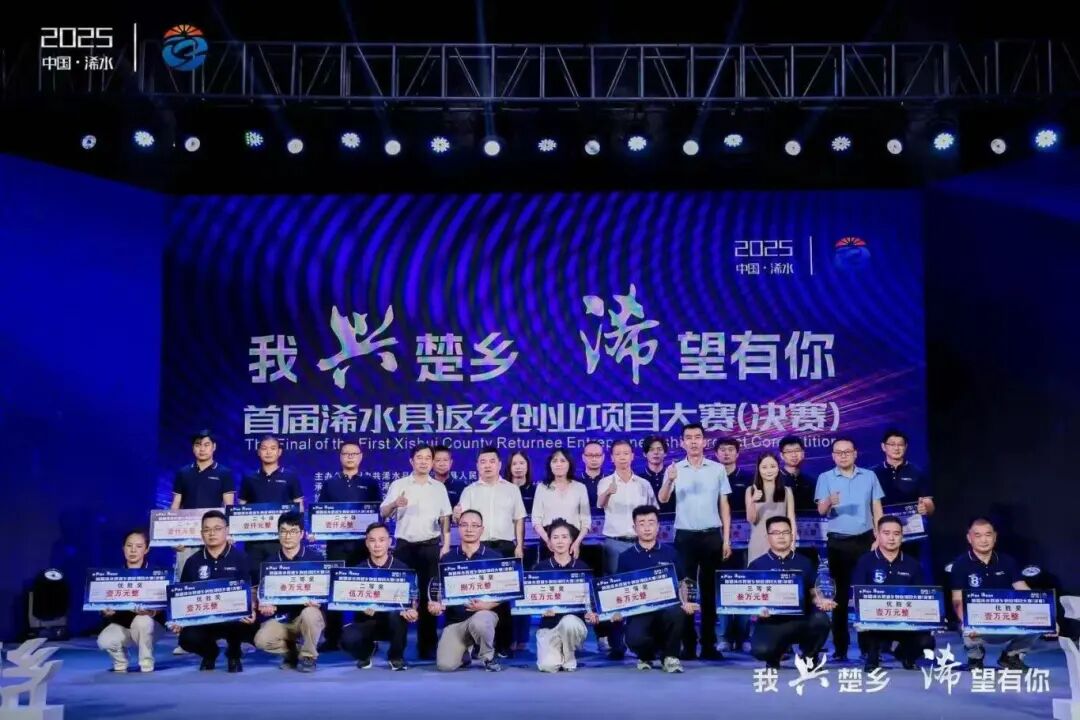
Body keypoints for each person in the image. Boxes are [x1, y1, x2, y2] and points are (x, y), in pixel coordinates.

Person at [658, 422, 732, 660]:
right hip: (685, 536)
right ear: (682, 443)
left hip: (712, 535)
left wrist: (726, 539)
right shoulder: (674, 469)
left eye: (697, 437)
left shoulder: (717, 469)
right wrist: (669, 480)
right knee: (686, 591)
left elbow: (724, 505)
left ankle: (709, 645)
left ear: (704, 441)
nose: (693, 441)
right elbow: (663, 499)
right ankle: (688, 645)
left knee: (709, 592)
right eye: (688, 437)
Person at [379, 444, 452, 660]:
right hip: (404, 547)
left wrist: (446, 545)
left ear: (432, 462)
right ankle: (398, 648)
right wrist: (395, 503)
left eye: (428, 458)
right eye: (419, 457)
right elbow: (383, 512)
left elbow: (445, 517)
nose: (423, 461)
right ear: (411, 461)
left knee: (429, 596)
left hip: (430, 546)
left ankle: (427, 646)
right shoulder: (399, 484)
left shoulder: (438, 488)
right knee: (402, 597)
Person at [814, 437, 884, 661]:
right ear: (833, 456)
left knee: (867, 595)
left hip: (865, 541)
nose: (843, 455)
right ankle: (841, 648)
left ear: (855, 453)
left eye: (847, 451)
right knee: (840, 597)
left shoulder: (869, 476)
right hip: (838, 543)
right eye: (838, 452)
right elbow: (821, 510)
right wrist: (829, 501)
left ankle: (868, 648)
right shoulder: (825, 477)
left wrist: (879, 536)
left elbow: (877, 507)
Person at [454, 447, 526, 657]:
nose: (487, 465)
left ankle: (503, 644)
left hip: (505, 546)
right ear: (477, 465)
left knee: (503, 597)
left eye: (491, 461)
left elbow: (519, 519)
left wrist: (519, 545)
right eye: (483, 461)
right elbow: (462, 520)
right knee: (479, 595)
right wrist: (457, 516)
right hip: (480, 548)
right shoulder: (470, 490)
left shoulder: (512, 489)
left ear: (499, 464)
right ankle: (479, 643)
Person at [169, 428, 235, 657]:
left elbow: (229, 506)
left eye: (207, 444)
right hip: (188, 538)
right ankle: (184, 636)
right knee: (185, 585)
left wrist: (229, 533)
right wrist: (172, 536)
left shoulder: (224, 473)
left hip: (216, 538)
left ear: (214, 447)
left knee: (219, 584)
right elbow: (175, 505)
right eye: (198, 444)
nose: (202, 449)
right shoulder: (183, 473)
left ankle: (226, 634)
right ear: (193, 448)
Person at [311, 441, 381, 650]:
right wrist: (316, 530)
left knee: (362, 590)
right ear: (340, 457)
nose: (350, 457)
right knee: (335, 591)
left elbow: (377, 514)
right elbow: (320, 513)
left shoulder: (370, 483)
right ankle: (332, 639)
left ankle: (364, 638)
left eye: (354, 453)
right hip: (336, 547)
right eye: (346, 454)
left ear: (361, 456)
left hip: (363, 548)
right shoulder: (330, 484)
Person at [612, 505, 696, 673]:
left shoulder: (671, 553)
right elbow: (619, 587)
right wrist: (617, 610)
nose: (647, 528)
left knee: (678, 612)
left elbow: (682, 582)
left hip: (667, 609)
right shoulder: (626, 557)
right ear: (634, 528)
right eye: (642, 523)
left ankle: (670, 656)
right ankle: (647, 655)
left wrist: (685, 602)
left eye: (651, 523)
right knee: (633, 639)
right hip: (640, 611)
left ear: (658, 526)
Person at [949, 517, 1040, 671]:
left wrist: (1046, 614)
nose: (984, 540)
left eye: (988, 534)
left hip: (1005, 618)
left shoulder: (1007, 561)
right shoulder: (960, 564)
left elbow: (1023, 589)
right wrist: (966, 621)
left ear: (995, 537)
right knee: (964, 626)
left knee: (1040, 623)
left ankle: (1011, 656)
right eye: (978, 535)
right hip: (977, 622)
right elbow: (957, 599)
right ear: (969, 538)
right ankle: (975, 657)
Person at [173, 511, 256, 672]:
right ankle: (210, 653)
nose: (212, 533)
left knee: (247, 622)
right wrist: (178, 619)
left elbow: (251, 589)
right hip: (204, 618)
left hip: (234, 619)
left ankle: (234, 654)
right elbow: (183, 595)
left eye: (217, 528)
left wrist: (252, 606)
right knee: (186, 639)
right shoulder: (192, 562)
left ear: (227, 530)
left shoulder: (242, 558)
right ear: (201, 534)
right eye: (207, 529)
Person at [747, 516, 835, 669]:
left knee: (821, 620)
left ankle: (809, 657)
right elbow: (749, 599)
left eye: (785, 532)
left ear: (792, 535)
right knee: (761, 650)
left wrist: (821, 601)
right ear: (767, 537)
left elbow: (814, 592)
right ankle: (774, 657)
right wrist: (756, 611)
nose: (781, 536)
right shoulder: (757, 565)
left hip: (801, 620)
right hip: (772, 622)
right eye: (776, 533)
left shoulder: (805, 562)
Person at [597, 439, 657, 659]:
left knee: (643, 591)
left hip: (640, 543)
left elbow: (653, 511)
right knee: (615, 593)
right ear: (612, 458)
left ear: (632, 456)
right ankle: (617, 645)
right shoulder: (606, 482)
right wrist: (608, 492)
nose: (622, 457)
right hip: (615, 543)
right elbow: (600, 504)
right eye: (618, 454)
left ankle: (645, 643)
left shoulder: (643, 484)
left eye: (626, 453)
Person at [852, 515, 935, 672]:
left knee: (927, 641)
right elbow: (858, 594)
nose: (891, 538)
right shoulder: (865, 561)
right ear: (877, 534)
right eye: (886, 533)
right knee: (866, 630)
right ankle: (872, 659)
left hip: (904, 621)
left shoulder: (913, 564)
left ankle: (905, 656)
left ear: (902, 536)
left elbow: (921, 597)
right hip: (875, 623)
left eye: (896, 534)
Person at [429, 510, 505, 672]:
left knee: (481, 621)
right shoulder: (448, 558)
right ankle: (465, 654)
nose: (469, 529)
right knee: (445, 665)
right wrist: (437, 604)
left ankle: (488, 657)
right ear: (458, 528)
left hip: (483, 616)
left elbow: (506, 592)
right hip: (456, 622)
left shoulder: (495, 557)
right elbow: (440, 589)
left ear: (482, 529)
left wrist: (488, 605)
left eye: (474, 525)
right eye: (464, 525)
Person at [252, 512, 326, 672]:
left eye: (293, 531)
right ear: (278, 534)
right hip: (282, 619)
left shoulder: (316, 559)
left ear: (302, 534)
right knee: (261, 640)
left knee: (310, 614)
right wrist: (265, 605)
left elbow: (327, 595)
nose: (287, 536)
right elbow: (263, 595)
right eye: (283, 531)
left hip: (306, 617)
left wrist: (320, 602)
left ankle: (308, 657)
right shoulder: (270, 563)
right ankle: (293, 653)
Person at [340, 522, 418, 671]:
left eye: (382, 540)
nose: (377, 545)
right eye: (372, 540)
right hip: (368, 620)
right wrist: (361, 606)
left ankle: (396, 657)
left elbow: (413, 596)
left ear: (390, 542)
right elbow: (350, 600)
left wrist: (413, 609)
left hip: (394, 622)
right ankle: (366, 652)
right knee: (347, 638)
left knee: (397, 616)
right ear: (366, 543)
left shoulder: (402, 568)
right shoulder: (358, 570)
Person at [239, 435, 305, 586]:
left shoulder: (290, 476)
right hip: (254, 542)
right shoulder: (249, 477)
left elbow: (299, 506)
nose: (268, 452)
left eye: (273, 448)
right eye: (264, 448)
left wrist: (301, 529)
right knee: (256, 582)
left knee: (280, 580)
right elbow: (241, 507)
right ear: (258, 452)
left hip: (281, 540)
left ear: (279, 452)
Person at [96, 530, 165, 673]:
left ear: (146, 549)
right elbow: (103, 604)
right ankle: (121, 661)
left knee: (142, 621)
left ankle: (146, 662)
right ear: (123, 548)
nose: (133, 550)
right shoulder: (113, 575)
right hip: (124, 626)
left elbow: (164, 606)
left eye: (139, 546)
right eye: (129, 545)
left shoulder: (156, 573)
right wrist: (105, 611)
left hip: (150, 626)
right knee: (104, 641)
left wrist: (151, 611)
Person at [533, 520, 598, 672]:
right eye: (555, 537)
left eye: (564, 537)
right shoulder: (540, 568)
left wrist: (592, 613)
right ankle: (557, 652)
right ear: (549, 542)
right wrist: (541, 610)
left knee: (569, 622)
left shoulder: (582, 568)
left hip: (573, 624)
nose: (560, 541)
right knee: (548, 666)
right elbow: (532, 601)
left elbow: (590, 599)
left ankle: (569, 655)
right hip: (549, 626)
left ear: (571, 540)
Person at [871, 429, 934, 559]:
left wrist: (926, 507)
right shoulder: (873, 474)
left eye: (900, 444)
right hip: (882, 536)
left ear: (906, 447)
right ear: (883, 446)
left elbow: (930, 506)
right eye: (892, 444)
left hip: (911, 535)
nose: (896, 448)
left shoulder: (917, 472)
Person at [716, 437, 751, 653]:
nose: (726, 453)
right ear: (716, 454)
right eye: (722, 450)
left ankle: (743, 636)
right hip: (719, 541)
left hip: (745, 542)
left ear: (737, 453)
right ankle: (725, 636)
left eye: (731, 449)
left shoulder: (748, 478)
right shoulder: (712, 476)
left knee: (744, 587)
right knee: (722, 587)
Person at [504, 450, 537, 652]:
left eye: (522, 463)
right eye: (514, 464)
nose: (518, 467)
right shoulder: (503, 489)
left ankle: (523, 637)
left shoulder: (537, 490)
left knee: (525, 593)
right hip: (508, 546)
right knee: (507, 593)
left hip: (531, 548)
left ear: (527, 466)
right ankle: (508, 637)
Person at [531, 449, 591, 558]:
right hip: (548, 540)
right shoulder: (542, 487)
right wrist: (548, 540)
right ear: (550, 465)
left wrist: (577, 542)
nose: (558, 464)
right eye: (555, 461)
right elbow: (536, 520)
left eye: (563, 461)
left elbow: (586, 521)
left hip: (573, 541)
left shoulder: (580, 488)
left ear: (569, 464)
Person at [746, 452, 796, 564]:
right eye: (764, 467)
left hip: (781, 542)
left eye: (773, 466)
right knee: (759, 572)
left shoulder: (786, 491)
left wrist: (792, 543)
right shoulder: (751, 491)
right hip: (758, 541)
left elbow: (791, 519)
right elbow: (751, 519)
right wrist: (753, 501)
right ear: (758, 469)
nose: (769, 471)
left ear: (778, 468)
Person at [778, 435, 819, 569]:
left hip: (808, 539)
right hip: (782, 538)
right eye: (789, 452)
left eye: (797, 450)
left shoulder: (811, 481)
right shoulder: (774, 480)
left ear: (803, 453)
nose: (794, 455)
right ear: (782, 455)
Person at [639, 436, 675, 514]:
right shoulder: (639, 479)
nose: (656, 452)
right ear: (645, 454)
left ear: (665, 453)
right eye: (651, 450)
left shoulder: (672, 476)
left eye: (659, 449)